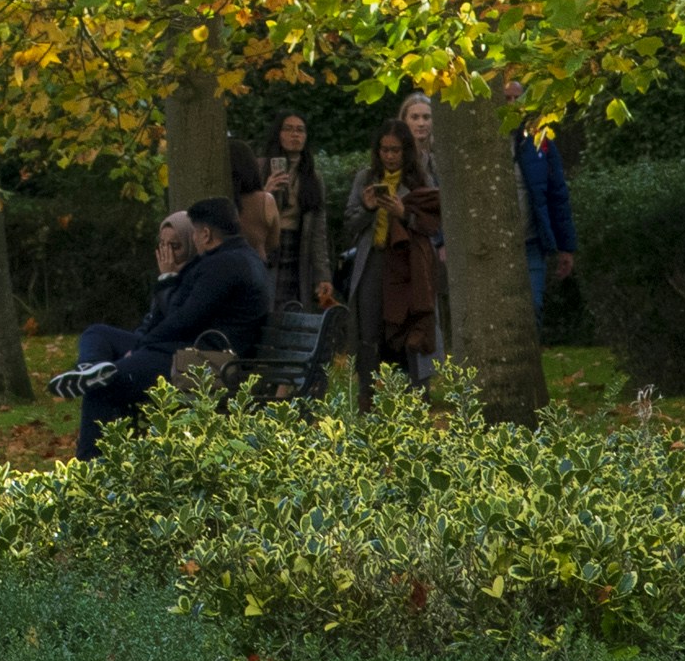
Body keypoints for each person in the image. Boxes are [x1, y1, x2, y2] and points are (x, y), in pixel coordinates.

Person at [54, 198, 273, 457]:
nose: (193, 237)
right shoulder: (234, 258)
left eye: (193, 232)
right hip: (189, 350)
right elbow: (178, 316)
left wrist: (139, 347)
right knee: (98, 334)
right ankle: (88, 367)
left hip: (203, 363)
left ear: (205, 234)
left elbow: (183, 320)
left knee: (104, 386)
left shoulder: (222, 266)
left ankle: (92, 470)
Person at [344, 96, 447, 404]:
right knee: (370, 332)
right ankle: (369, 399)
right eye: (384, 150)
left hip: (407, 266)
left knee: (407, 329)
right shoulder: (366, 178)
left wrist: (404, 212)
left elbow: (432, 225)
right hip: (374, 262)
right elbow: (349, 223)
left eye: (395, 151)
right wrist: (368, 207)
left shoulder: (419, 179)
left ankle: (414, 398)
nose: (389, 157)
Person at [247, 110, 327, 303]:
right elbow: (248, 216)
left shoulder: (313, 177)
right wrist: (266, 192)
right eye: (288, 129)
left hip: (298, 246)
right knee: (265, 303)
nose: (295, 135)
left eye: (300, 130)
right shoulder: (260, 168)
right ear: (278, 134)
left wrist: (323, 275)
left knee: (292, 306)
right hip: (267, 244)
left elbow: (319, 230)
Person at [514, 115, 579, 321]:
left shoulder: (539, 141)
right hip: (492, 245)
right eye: (507, 97)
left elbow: (557, 194)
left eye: (517, 97)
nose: (512, 103)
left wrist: (565, 246)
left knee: (533, 306)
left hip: (531, 241)